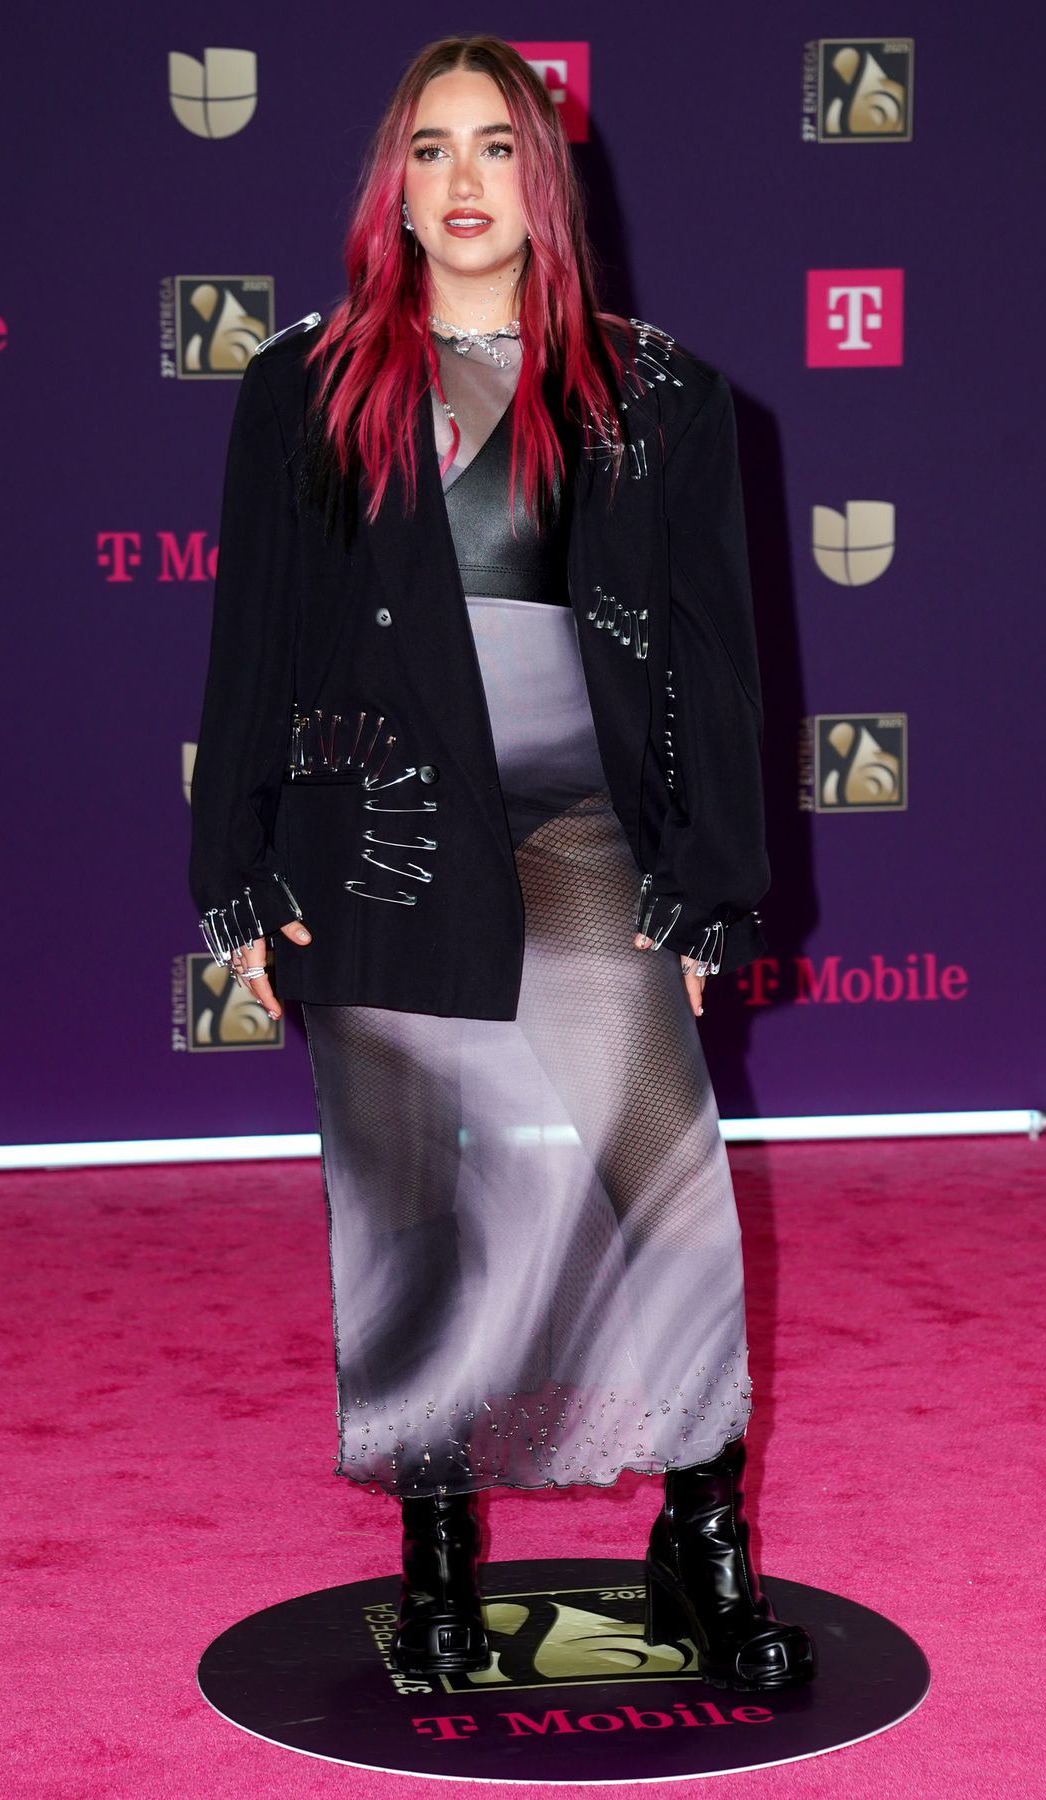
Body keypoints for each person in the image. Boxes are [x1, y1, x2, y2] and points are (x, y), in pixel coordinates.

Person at [190, 34, 815, 1693]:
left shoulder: (659, 392)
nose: (461, 184)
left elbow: (712, 664)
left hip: (583, 839)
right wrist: (237, 873)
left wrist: (709, 882)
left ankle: (702, 1535)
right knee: (411, 1210)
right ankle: (441, 1539)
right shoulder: (305, 387)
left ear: (544, 181)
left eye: (494, 147)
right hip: (382, 839)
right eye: (427, 151)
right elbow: (248, 644)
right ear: (390, 186)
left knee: (668, 1191)